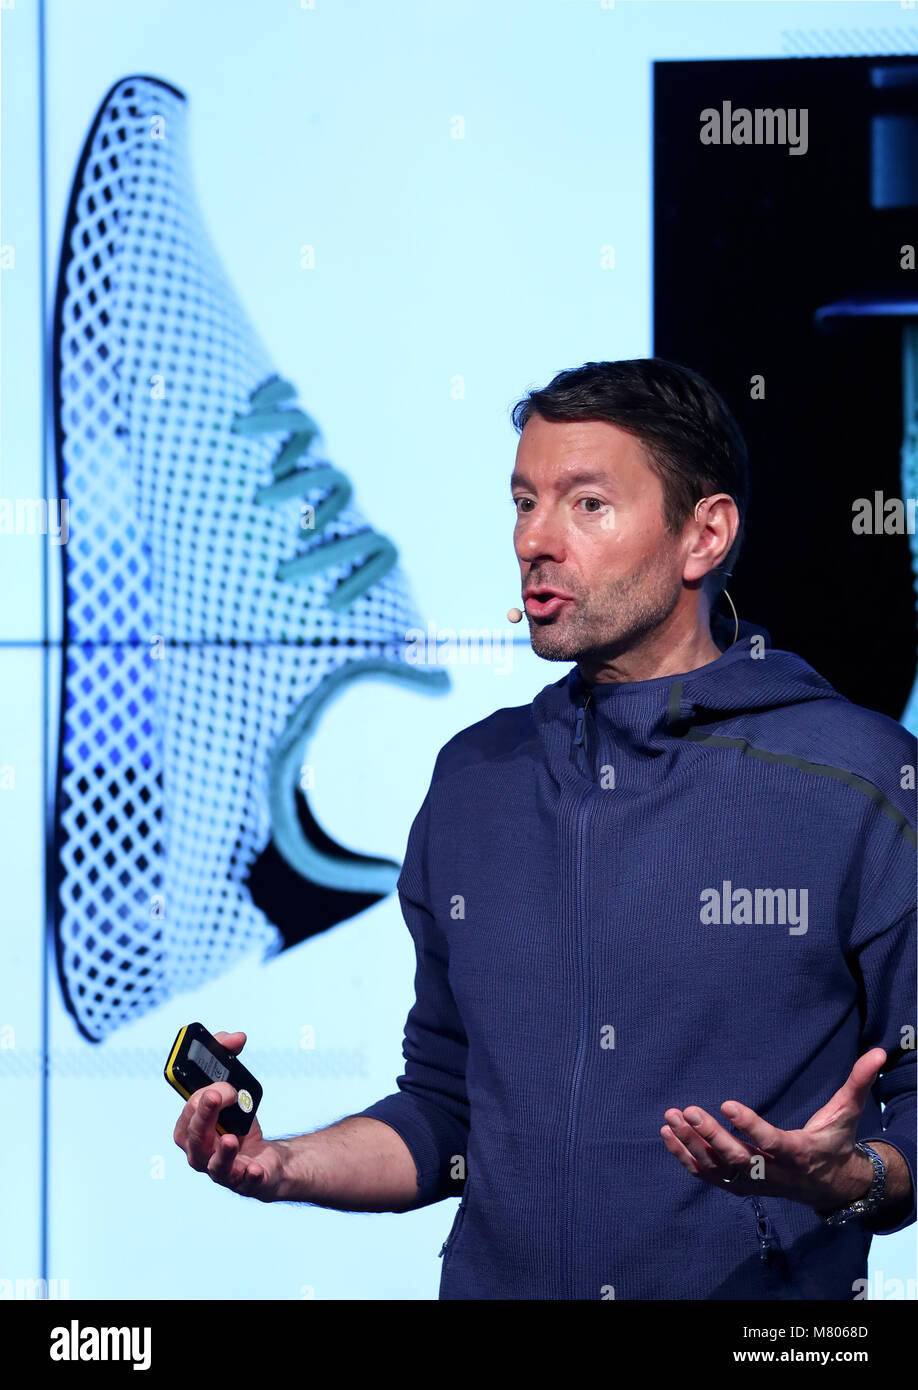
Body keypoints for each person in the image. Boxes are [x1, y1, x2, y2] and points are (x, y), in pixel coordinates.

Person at [173, 358, 916, 1300]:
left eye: (587, 505)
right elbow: (446, 1111)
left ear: (705, 535)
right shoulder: (476, 779)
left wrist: (848, 1179)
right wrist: (278, 1166)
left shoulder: (855, 778)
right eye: (524, 502)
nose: (534, 539)